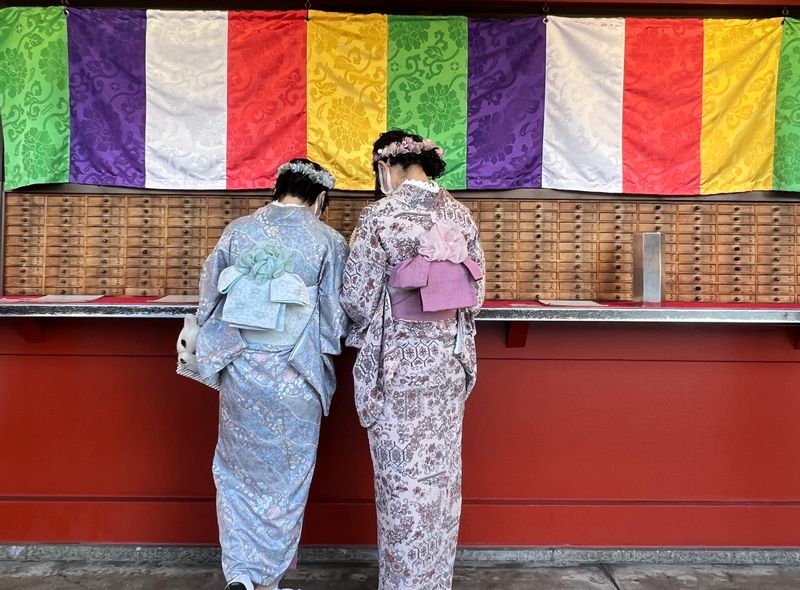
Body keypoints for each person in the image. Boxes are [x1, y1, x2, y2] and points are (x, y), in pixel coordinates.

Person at [341, 130, 486, 589]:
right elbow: (475, 296)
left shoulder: (380, 216)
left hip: (398, 367)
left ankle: (404, 582)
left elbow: (358, 299)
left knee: (402, 484)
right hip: (445, 364)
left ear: (385, 166)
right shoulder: (460, 215)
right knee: (440, 481)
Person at [196, 158, 349, 590]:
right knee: (287, 476)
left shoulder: (237, 231)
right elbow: (337, 317)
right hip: (294, 373)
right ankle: (269, 579)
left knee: (236, 472)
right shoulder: (328, 240)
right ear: (320, 197)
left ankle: (241, 575)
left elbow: (209, 299)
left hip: (242, 369)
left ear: (277, 187)